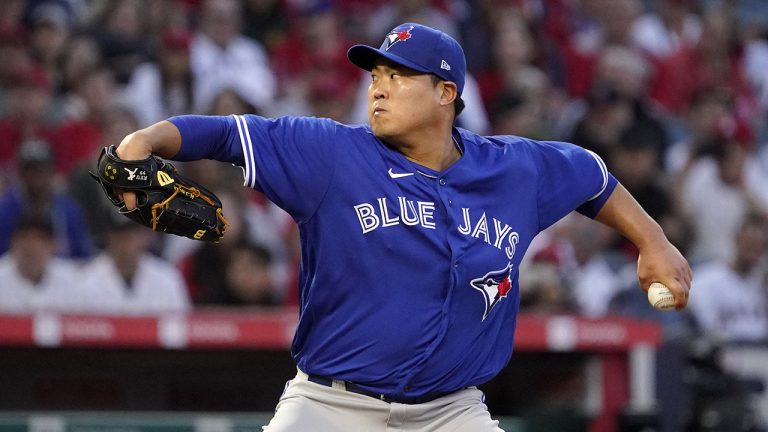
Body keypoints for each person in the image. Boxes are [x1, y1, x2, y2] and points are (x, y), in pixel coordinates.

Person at [112, 23, 691, 432]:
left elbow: (591, 176)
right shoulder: (331, 154)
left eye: (399, 75)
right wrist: (143, 141)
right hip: (332, 408)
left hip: (451, 412)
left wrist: (653, 241)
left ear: (446, 93)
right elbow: (222, 134)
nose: (379, 86)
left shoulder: (513, 169)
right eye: (376, 75)